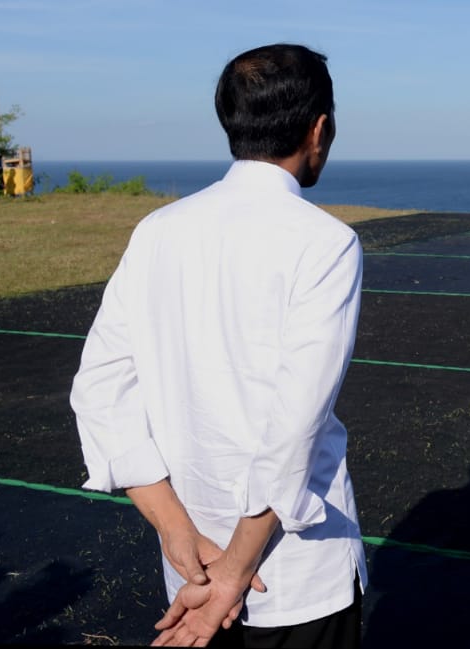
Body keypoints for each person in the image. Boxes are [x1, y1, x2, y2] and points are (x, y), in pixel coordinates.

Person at [70, 43, 366, 648]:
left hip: (188, 573)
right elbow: (293, 429)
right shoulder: (325, 242)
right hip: (292, 578)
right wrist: (234, 572)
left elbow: (99, 390)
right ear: (320, 128)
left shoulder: (158, 231)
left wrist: (176, 532)